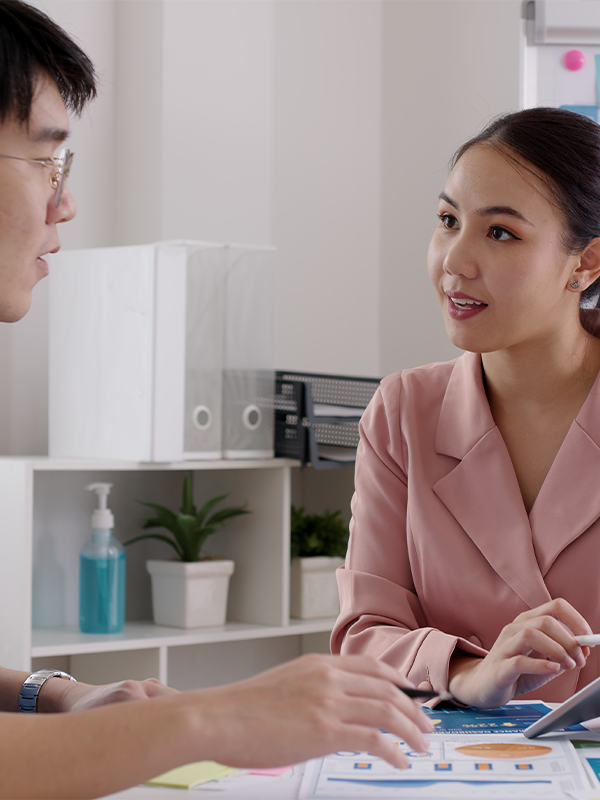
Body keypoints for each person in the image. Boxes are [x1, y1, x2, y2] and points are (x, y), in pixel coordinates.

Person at [0, 1, 432, 797]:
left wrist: (57, 695)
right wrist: (209, 721)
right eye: (47, 162)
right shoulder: (409, 408)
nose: (65, 205)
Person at [331, 105, 600, 711]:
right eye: (448, 220)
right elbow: (365, 632)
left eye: (500, 232)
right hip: (459, 766)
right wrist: (464, 670)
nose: (454, 261)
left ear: (585, 263)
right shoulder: (404, 411)